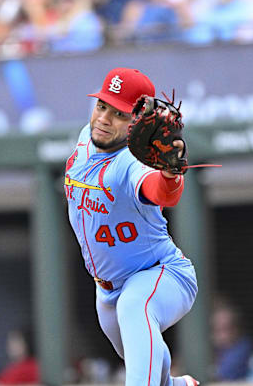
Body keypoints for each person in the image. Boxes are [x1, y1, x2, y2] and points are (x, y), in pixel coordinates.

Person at [63, 67, 198, 386]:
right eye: (102, 106)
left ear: (138, 121)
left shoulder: (133, 162)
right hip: (106, 290)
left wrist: (169, 175)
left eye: (119, 113)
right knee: (147, 357)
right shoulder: (87, 137)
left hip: (159, 274)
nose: (104, 119)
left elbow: (159, 191)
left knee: (135, 307)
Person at [211, 301, 253, 381]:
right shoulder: (213, 348)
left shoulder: (243, 347)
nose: (219, 335)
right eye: (216, 330)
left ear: (236, 329)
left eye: (224, 329)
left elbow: (221, 375)